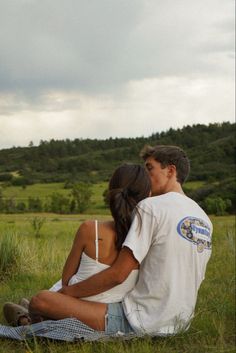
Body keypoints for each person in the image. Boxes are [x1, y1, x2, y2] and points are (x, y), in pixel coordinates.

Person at [23, 145, 213, 336]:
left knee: (42, 300)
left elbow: (118, 275)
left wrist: (66, 294)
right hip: (180, 323)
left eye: (150, 168)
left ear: (171, 171)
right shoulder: (204, 218)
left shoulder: (150, 207)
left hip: (142, 320)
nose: (145, 176)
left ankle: (30, 320)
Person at [3, 163, 151, 328]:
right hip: (109, 309)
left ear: (112, 191)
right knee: (43, 299)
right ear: (148, 196)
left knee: (40, 299)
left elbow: (66, 280)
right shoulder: (148, 236)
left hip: (94, 310)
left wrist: (66, 293)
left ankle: (27, 318)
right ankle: (33, 312)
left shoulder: (90, 229)